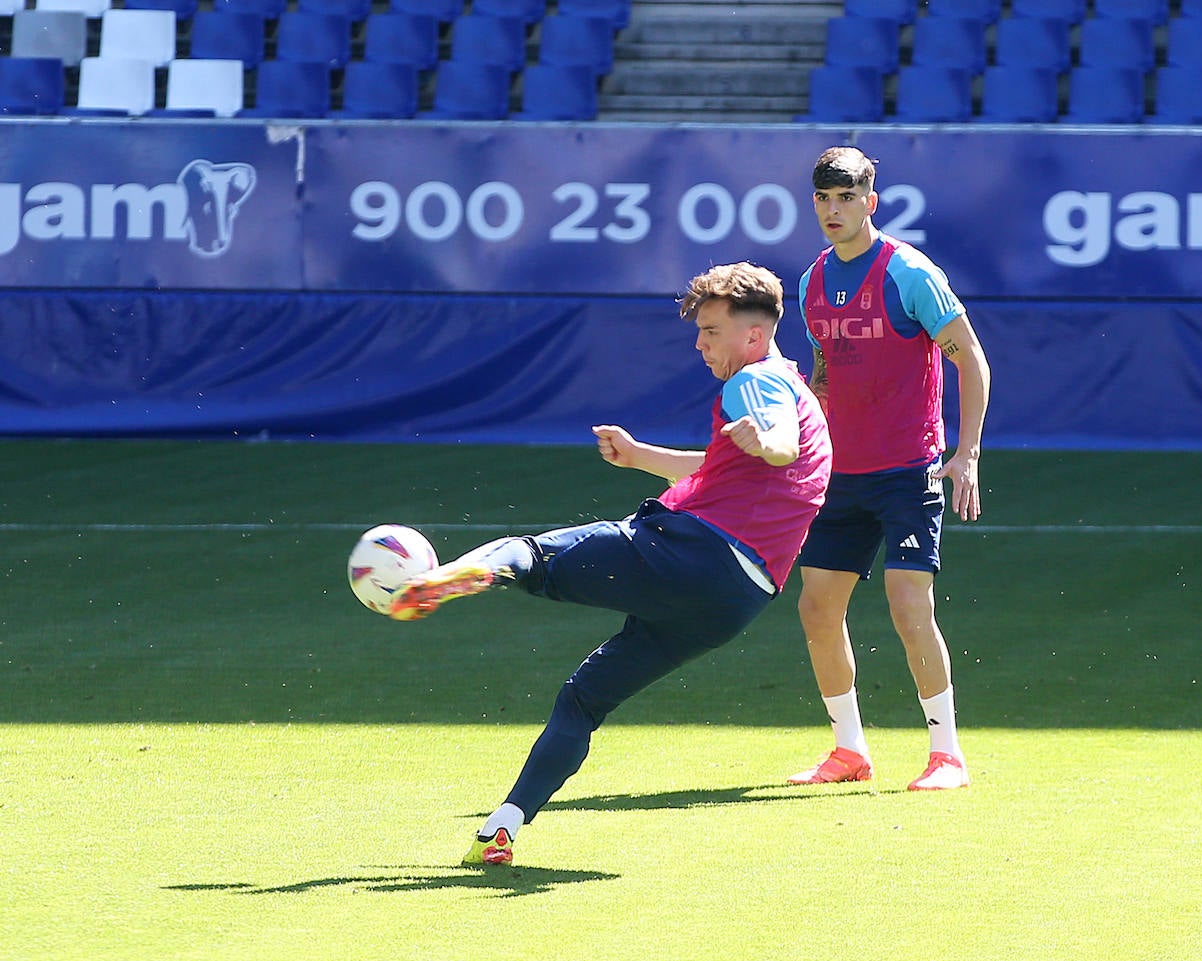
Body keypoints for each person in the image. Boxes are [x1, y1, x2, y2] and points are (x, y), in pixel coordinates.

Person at [388, 261, 832, 866]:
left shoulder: (755, 382)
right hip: (734, 601)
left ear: (753, 336)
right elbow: (727, 467)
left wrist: (770, 443)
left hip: (689, 552)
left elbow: (775, 440)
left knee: (532, 555)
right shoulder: (799, 394)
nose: (699, 344)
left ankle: (453, 577)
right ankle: (504, 825)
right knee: (584, 699)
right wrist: (638, 455)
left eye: (710, 330)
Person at [786, 146, 990, 792]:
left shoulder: (909, 275)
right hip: (841, 475)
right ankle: (849, 750)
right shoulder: (811, 282)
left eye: (846, 198)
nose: (833, 210)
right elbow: (826, 370)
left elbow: (972, 360)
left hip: (908, 470)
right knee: (817, 608)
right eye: (823, 199)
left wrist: (967, 454)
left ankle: (947, 754)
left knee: (908, 606)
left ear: (871, 202)